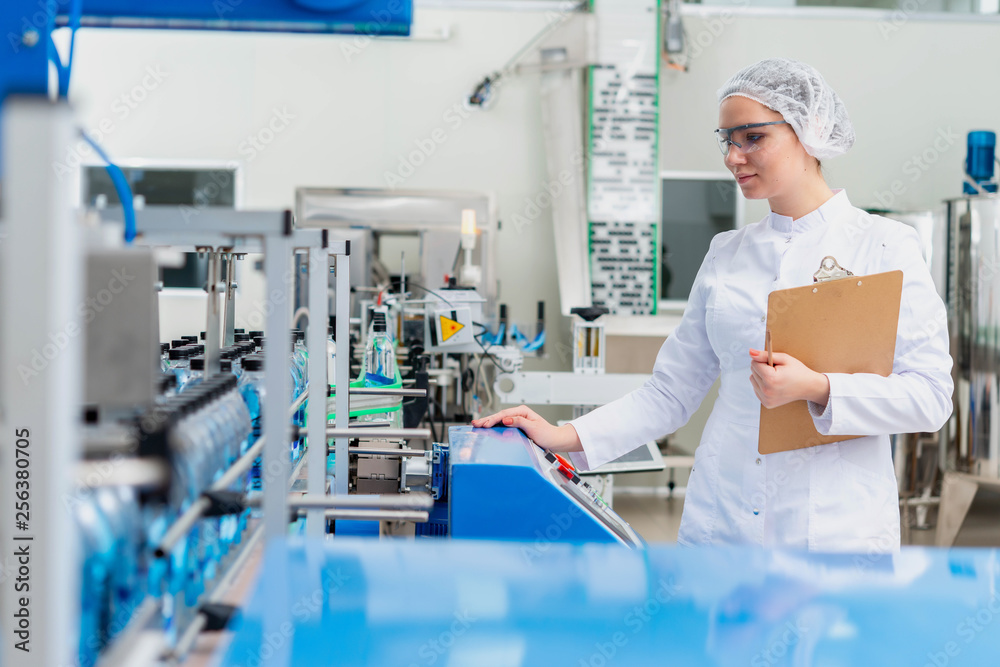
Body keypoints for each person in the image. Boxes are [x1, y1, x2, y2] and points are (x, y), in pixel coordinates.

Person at [472, 58, 953, 553]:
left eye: (752, 137)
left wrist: (817, 388)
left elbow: (931, 395)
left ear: (808, 132)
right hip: (724, 522)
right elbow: (670, 393)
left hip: (833, 532)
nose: (733, 156)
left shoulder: (883, 246)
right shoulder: (727, 253)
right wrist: (560, 434)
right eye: (728, 139)